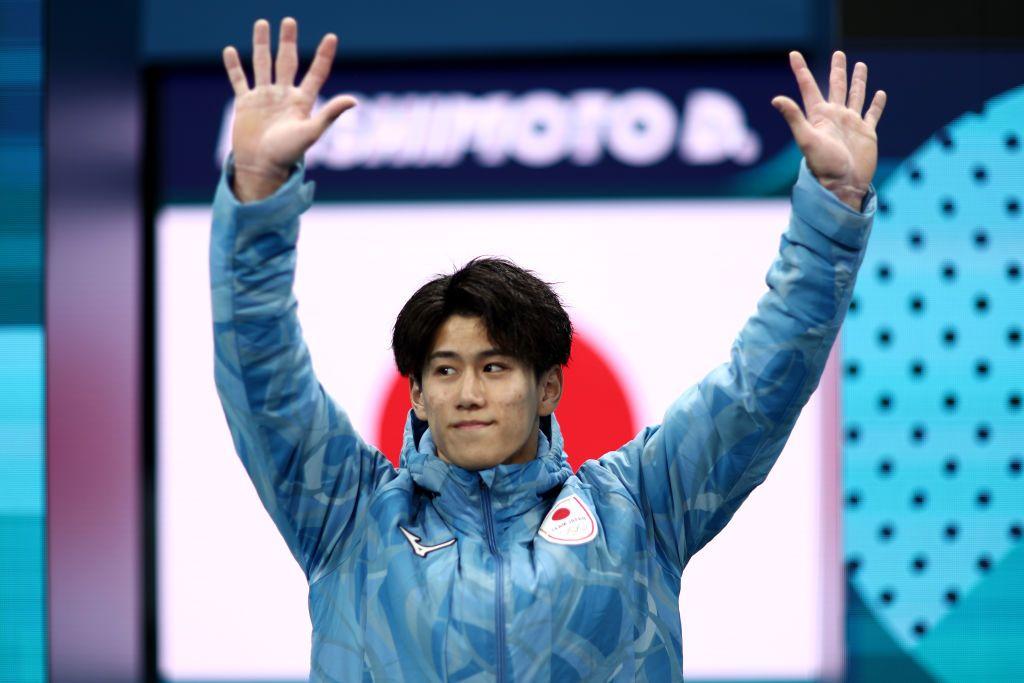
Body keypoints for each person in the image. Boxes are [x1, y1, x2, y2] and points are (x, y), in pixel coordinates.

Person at [212, 17, 885, 682]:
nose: (468, 392)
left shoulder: (641, 506)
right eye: (444, 370)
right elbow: (263, 373)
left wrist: (834, 209)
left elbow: (758, 389)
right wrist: (258, 190)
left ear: (549, 388)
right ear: (416, 392)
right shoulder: (349, 516)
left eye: (495, 366)